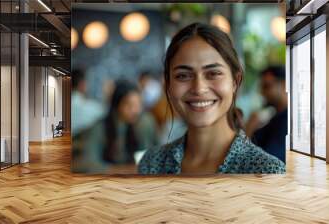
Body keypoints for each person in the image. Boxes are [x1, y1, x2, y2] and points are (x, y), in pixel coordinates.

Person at [138, 23, 285, 174]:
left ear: (235, 81)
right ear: (168, 85)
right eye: (183, 75)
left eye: (213, 73)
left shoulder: (266, 170)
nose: (199, 88)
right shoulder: (152, 163)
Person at [246, 66, 287, 163]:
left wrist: (249, 128)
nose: (262, 92)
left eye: (267, 86)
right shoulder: (274, 120)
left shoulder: (287, 122)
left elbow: (264, 162)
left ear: (285, 85)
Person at [103, 80, 144, 164]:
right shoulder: (101, 128)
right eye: (129, 105)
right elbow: (90, 162)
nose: (135, 110)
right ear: (117, 105)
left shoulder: (142, 124)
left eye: (138, 104)